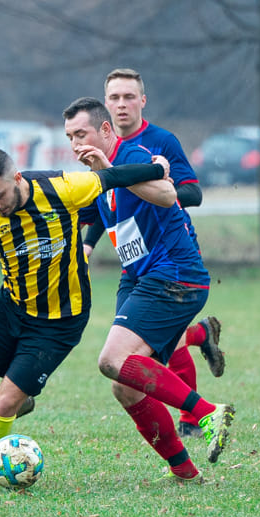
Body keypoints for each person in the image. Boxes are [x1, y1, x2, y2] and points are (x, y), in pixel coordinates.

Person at [0, 146, 169, 491]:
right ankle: (19, 402)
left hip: (59, 321)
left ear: (17, 178)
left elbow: (112, 178)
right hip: (10, 307)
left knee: (3, 402)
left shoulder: (61, 189)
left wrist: (155, 169)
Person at [63, 97, 235, 483]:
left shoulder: (132, 153)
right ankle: (186, 473)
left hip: (174, 273)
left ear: (105, 130)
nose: (75, 144)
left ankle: (207, 412)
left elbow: (168, 195)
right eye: (70, 137)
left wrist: (111, 168)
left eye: (82, 134)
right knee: (124, 387)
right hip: (139, 277)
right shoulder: (97, 176)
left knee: (111, 359)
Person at [83, 68, 223, 438]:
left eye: (129, 97)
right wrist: (88, 242)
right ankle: (200, 339)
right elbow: (107, 200)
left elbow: (192, 193)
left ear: (142, 101)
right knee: (139, 349)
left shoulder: (161, 142)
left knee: (142, 346)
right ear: (105, 104)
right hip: (136, 263)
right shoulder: (99, 146)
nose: (121, 104)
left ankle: (196, 417)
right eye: (114, 97)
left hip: (170, 253)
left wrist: (154, 184)